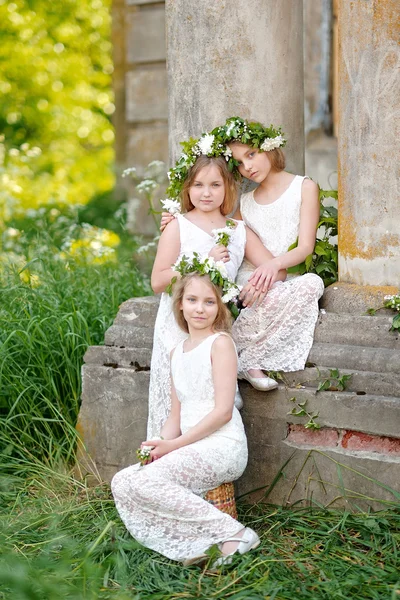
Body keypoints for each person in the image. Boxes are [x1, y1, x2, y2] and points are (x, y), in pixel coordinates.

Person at [161, 117, 324, 389]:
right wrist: (175, 221)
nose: (247, 166)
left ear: (269, 147)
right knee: (242, 294)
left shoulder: (304, 187)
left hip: (277, 274)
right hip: (245, 279)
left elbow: (306, 247)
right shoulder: (245, 202)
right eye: (238, 162)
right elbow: (224, 232)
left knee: (312, 284)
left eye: (251, 154)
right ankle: (233, 354)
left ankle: (245, 356)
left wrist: (272, 268)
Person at [111, 272, 260, 566]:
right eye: (192, 300)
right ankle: (196, 542)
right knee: (122, 481)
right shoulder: (176, 352)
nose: (200, 309)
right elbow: (175, 417)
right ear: (180, 304)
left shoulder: (220, 344)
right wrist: (159, 444)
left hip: (222, 445)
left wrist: (175, 445)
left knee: (148, 483)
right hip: (190, 445)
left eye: (209, 302)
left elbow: (223, 412)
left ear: (219, 307)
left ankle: (236, 534)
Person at [148, 146, 286, 438]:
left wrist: (254, 279)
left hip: (216, 324)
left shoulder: (238, 230)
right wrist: (205, 262)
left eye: (215, 185)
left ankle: (210, 464)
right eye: (198, 185)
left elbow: (276, 268)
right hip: (180, 324)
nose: (206, 193)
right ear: (188, 188)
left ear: (228, 188)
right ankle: (164, 454)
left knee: (212, 398)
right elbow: (158, 280)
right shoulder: (178, 226)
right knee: (178, 401)